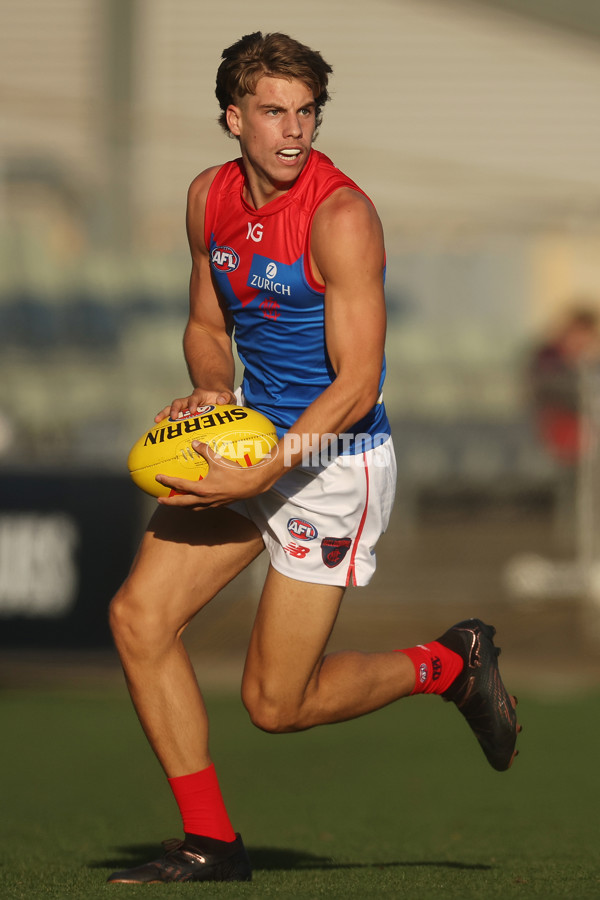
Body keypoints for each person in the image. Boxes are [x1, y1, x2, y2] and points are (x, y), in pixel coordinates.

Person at [107, 32, 519, 885]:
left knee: (274, 706)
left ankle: (447, 665)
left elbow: (358, 385)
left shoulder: (340, 216)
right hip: (253, 438)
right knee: (138, 620)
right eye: (273, 112)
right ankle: (210, 843)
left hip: (335, 464)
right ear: (233, 118)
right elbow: (208, 327)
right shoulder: (206, 199)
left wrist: (265, 470)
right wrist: (214, 392)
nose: (294, 131)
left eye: (307, 112)